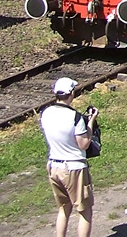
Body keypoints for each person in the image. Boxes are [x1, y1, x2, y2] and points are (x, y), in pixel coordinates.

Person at [39, 76, 98, 237]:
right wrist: (90, 122)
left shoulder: (45, 113)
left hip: (53, 165)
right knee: (84, 210)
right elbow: (84, 144)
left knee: (63, 208)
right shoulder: (75, 117)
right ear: (71, 93)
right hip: (74, 168)